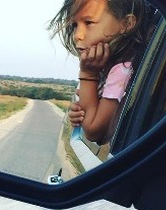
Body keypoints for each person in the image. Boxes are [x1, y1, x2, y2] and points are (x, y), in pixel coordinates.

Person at [48, 0, 154, 144]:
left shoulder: (123, 71)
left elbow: (92, 131)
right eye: (75, 25)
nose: (78, 35)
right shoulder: (109, 70)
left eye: (89, 22)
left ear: (126, 24)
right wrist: (81, 112)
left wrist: (88, 75)